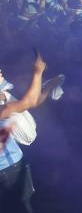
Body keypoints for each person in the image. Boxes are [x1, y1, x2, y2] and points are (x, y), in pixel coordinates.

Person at [0, 51, 46, 213]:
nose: (1, 73)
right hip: (10, 168)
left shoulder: (3, 94)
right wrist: (38, 71)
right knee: (22, 207)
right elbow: (30, 101)